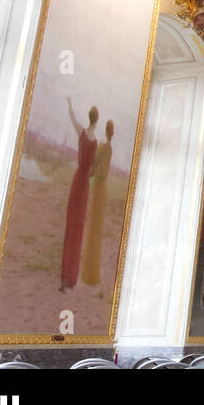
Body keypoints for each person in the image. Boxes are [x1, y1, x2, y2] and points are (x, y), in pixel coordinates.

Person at [61, 99, 99, 292]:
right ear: (97, 121)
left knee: (71, 225)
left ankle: (65, 276)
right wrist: (89, 169)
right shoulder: (95, 142)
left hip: (78, 181)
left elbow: (73, 119)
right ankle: (71, 279)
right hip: (84, 184)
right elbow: (93, 171)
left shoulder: (82, 134)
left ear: (89, 118)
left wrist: (70, 105)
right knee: (78, 229)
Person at [80, 120, 114, 287]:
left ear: (106, 132)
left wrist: (89, 172)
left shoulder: (102, 147)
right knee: (97, 227)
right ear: (112, 133)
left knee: (93, 226)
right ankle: (91, 273)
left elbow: (94, 166)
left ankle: (88, 274)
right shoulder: (110, 149)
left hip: (98, 185)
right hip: (104, 187)